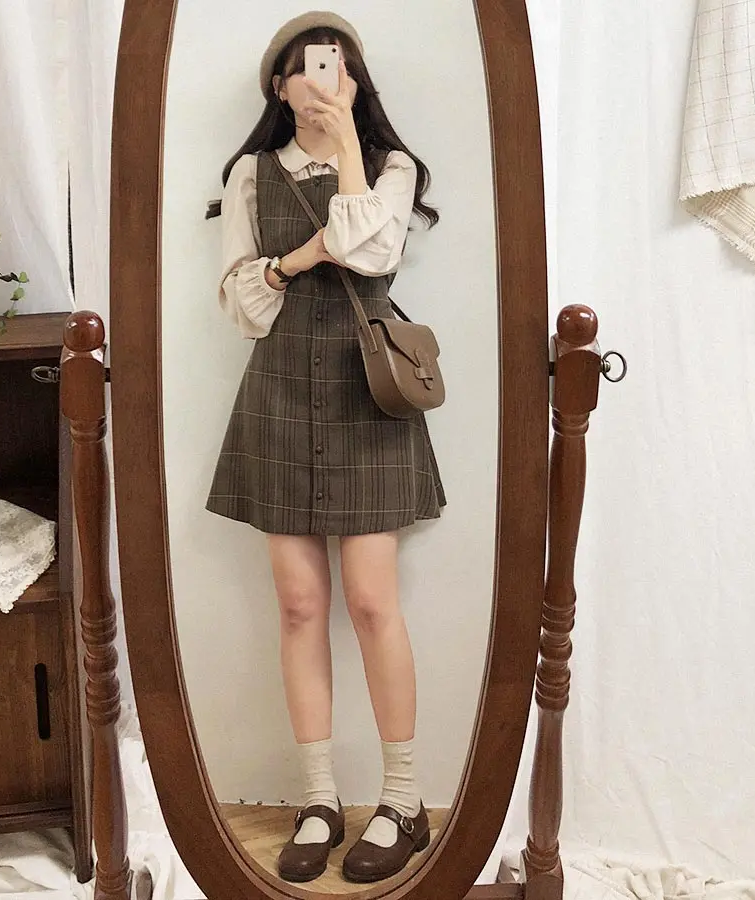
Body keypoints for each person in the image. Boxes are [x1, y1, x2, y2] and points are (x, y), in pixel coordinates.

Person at [206, 10, 446, 885]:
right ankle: (318, 800)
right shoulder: (250, 174)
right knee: (301, 607)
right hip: (278, 394)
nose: (323, 80)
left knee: (374, 603)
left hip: (365, 394)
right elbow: (242, 305)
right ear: (280, 86)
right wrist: (291, 261)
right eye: (308, 67)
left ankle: (404, 802)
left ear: (355, 83)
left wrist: (346, 145)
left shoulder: (391, 168)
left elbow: (371, 253)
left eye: (339, 68)